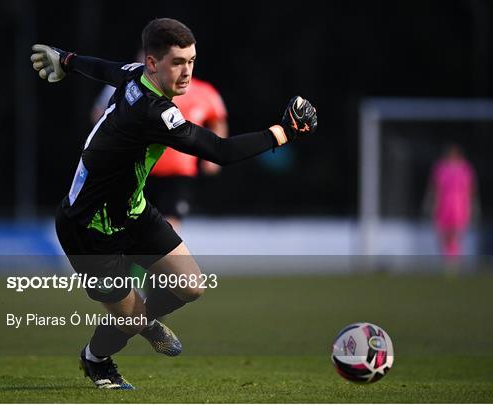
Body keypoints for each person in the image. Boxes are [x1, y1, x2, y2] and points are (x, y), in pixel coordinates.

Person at [30, 17, 317, 390]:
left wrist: (68, 60)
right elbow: (220, 151)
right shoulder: (153, 112)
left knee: (190, 286)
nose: (187, 72)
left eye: (192, 61)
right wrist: (285, 132)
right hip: (89, 229)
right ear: (153, 63)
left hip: (131, 212)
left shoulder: (136, 76)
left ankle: (141, 318)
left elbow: (105, 68)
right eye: (177, 62)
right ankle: (96, 358)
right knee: (128, 320)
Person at [92, 65, 229, 231]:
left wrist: (212, 155)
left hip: (179, 173)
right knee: (132, 222)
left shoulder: (204, 91)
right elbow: (101, 114)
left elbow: (218, 120)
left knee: (169, 225)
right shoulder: (141, 87)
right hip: (142, 169)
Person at [426, 144, 478, 259]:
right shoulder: (440, 168)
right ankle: (446, 258)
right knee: (443, 233)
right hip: (444, 204)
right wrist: (433, 203)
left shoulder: (465, 168)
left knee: (456, 234)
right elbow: (435, 188)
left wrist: (471, 206)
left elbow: (470, 189)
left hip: (459, 205)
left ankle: (454, 259)